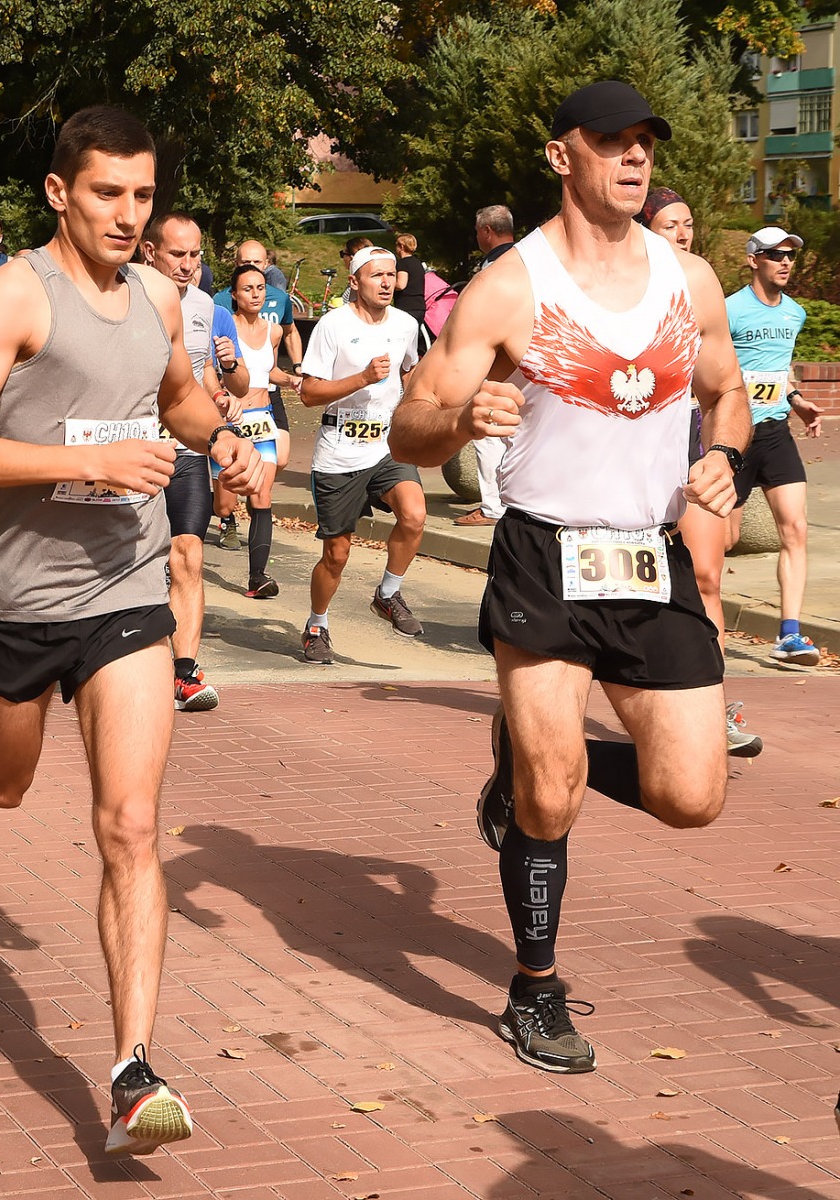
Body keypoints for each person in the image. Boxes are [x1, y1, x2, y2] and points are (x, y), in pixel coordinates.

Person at [0, 106, 264, 1156]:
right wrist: (89, 462)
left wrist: (226, 439)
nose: (127, 214)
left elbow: (179, 399)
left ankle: (132, 1073)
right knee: (5, 782)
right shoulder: (17, 294)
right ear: (58, 192)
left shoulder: (159, 295)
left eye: (142, 195)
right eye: (107, 193)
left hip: (125, 590)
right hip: (16, 604)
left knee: (130, 827)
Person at [388, 80, 751, 1075]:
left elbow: (726, 394)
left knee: (692, 794)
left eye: (643, 143)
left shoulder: (689, 279)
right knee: (551, 797)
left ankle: (524, 758)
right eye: (610, 141)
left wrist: (726, 456)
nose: (633, 158)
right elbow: (408, 426)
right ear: (561, 156)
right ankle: (533, 990)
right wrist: (459, 419)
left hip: (649, 557)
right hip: (543, 556)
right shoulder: (512, 285)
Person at [639, 188, 760, 757]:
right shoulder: (617, 289)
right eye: (670, 224)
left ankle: (713, 708)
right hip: (633, 446)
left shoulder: (701, 285)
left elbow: (725, 384)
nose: (683, 233)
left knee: (707, 576)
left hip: (691, 439)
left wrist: (722, 455)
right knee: (635, 591)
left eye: (687, 223)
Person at [139, 212, 249, 710]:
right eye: (177, 254)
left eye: (195, 255)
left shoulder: (205, 305)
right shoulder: (124, 295)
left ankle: (184, 670)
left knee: (188, 553)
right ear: (150, 252)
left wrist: (219, 398)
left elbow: (199, 373)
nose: (188, 265)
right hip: (134, 451)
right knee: (130, 561)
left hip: (184, 451)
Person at [298, 246, 425, 661]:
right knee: (336, 554)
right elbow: (309, 393)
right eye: (376, 275)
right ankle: (317, 624)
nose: (387, 282)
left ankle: (388, 594)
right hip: (339, 450)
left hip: (387, 444)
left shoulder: (406, 324)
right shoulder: (332, 325)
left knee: (414, 514)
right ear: (354, 282)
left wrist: (418, 404)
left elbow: (410, 370)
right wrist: (363, 378)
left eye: (391, 274)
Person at [724, 226, 821, 666]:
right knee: (724, 540)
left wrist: (796, 400)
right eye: (774, 254)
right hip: (734, 436)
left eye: (790, 256)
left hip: (776, 432)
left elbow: (780, 370)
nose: (784, 262)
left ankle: (789, 635)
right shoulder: (729, 310)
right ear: (753, 260)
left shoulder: (794, 313)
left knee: (795, 529)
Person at [225, 263, 302, 600]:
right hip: (231, 421)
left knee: (262, 496)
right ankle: (221, 522)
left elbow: (268, 371)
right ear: (234, 294)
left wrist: (293, 379)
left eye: (260, 288)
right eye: (248, 289)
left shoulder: (273, 331)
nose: (256, 295)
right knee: (223, 503)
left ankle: (257, 577)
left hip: (262, 419)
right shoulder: (224, 327)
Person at [454, 205, 521, 528]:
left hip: (497, 361)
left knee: (489, 432)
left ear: (486, 231)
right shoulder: (527, 259)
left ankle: (493, 506)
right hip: (527, 361)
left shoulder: (494, 267)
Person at [392, 232, 429, 350]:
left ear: (401, 246)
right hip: (419, 306)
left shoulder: (403, 263)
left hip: (406, 306)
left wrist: (388, 284)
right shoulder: (418, 263)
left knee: (403, 342)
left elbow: (401, 285)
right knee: (414, 341)